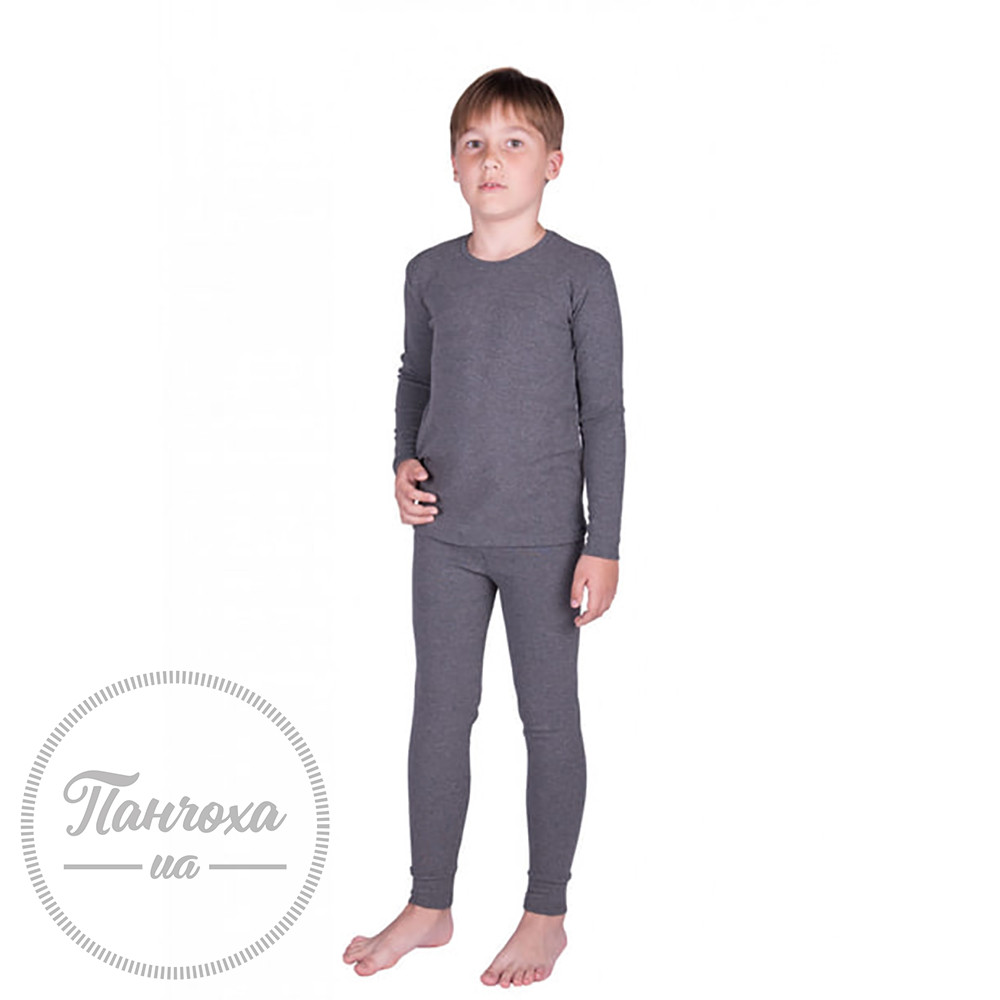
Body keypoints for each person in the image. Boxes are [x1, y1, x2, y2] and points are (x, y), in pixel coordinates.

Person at [343, 66, 625, 988]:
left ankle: (546, 911)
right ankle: (431, 903)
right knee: (439, 714)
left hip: (547, 542)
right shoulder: (429, 273)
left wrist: (604, 542)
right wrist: (402, 462)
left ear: (553, 164)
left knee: (548, 721)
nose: (491, 159)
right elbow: (415, 379)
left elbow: (605, 415)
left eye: (513, 143)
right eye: (474, 144)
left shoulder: (581, 275)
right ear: (454, 165)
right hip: (447, 538)